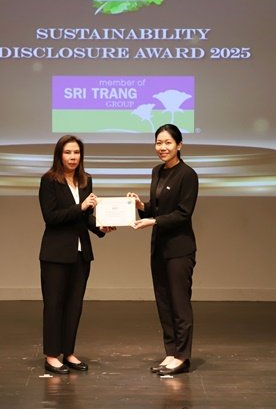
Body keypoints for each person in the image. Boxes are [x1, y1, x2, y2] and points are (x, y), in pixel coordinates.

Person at [38, 135, 114, 374]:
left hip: (81, 254)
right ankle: (52, 356)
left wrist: (100, 227)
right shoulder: (49, 180)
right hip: (56, 254)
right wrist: (80, 207)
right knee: (54, 305)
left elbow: (84, 218)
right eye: (68, 152)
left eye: (77, 152)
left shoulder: (85, 180)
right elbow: (51, 217)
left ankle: (68, 353)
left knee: (74, 305)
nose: (73, 157)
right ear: (59, 155)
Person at [127, 124, 198, 376]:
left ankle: (183, 356)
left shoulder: (188, 175)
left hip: (179, 249)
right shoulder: (157, 171)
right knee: (164, 303)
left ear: (179, 145)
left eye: (168, 142)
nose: (162, 147)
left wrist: (154, 221)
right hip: (159, 247)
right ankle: (171, 352)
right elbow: (156, 208)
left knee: (179, 303)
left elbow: (183, 213)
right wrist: (140, 206)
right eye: (159, 142)